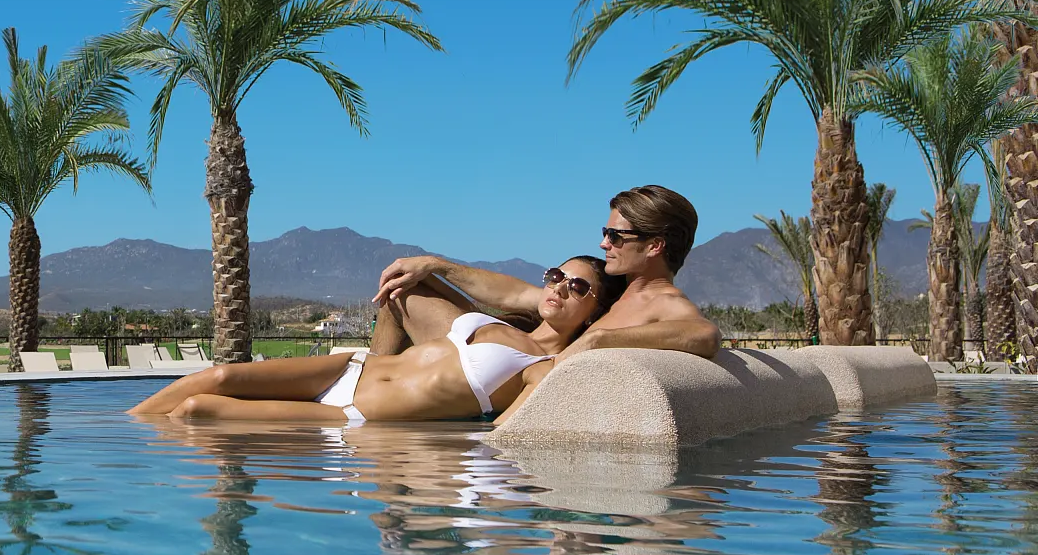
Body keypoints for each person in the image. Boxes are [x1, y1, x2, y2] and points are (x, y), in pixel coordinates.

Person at [128, 256, 621, 425]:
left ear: (595, 310)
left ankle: (146, 468)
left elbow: (506, 432)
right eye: (556, 275)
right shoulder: (497, 326)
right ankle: (127, 433)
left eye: (578, 287)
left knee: (198, 409)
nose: (560, 287)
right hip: (350, 367)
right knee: (218, 376)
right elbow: (404, 287)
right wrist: (431, 264)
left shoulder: (547, 369)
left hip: (354, 415)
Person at [372, 184, 721, 421]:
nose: (604, 244)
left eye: (615, 236)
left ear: (655, 246)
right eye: (605, 233)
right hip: (507, 364)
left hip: (507, 387)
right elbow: (513, 294)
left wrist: (597, 339)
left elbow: (705, 335)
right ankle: (363, 382)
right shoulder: (614, 286)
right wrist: (436, 265)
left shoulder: (665, 302)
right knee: (401, 288)